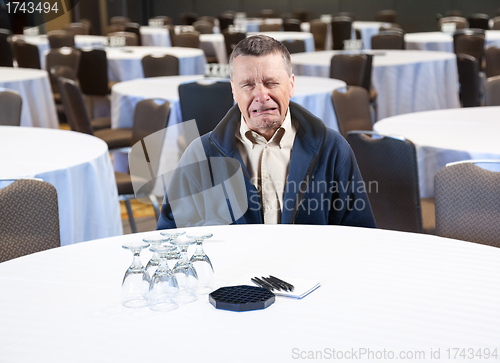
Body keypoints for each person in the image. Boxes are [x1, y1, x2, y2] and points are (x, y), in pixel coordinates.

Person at [157, 35, 376, 229]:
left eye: (271, 83)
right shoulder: (201, 155)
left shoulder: (332, 150)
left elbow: (359, 235)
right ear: (233, 91)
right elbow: (172, 238)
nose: (261, 95)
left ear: (291, 85)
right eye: (248, 85)